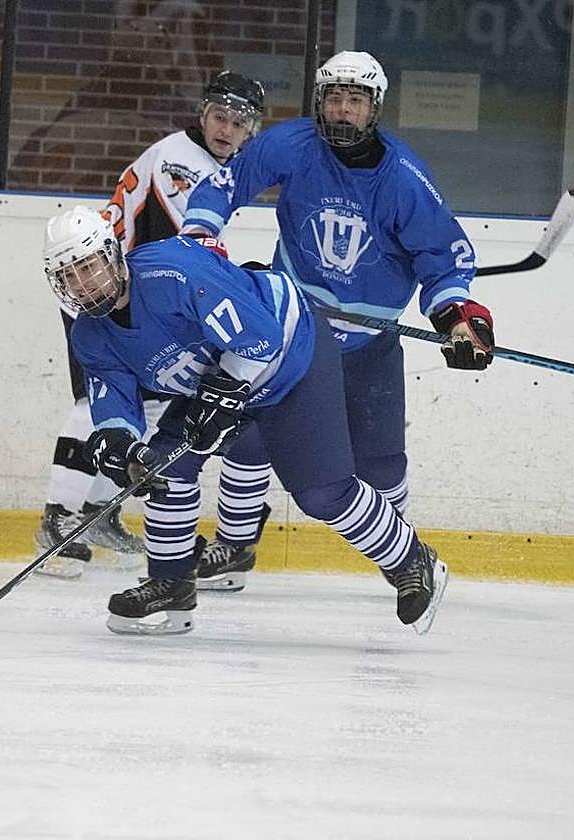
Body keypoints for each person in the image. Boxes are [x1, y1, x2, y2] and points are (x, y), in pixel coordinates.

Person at [41, 206, 448, 636]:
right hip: (218, 380)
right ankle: (171, 583)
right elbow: (116, 407)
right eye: (69, 275)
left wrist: (223, 395)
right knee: (162, 468)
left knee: (321, 493)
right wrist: (120, 445)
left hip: (292, 355)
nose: (83, 283)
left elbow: (263, 337)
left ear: (112, 254)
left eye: (88, 266)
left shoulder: (172, 272)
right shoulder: (89, 335)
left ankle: (412, 559)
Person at [180, 51, 494, 595]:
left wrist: (458, 318)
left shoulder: (403, 179)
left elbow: (442, 262)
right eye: (333, 98)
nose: (342, 111)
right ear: (318, 102)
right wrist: (201, 238)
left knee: (380, 464)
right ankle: (233, 547)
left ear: (374, 109)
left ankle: (403, 552)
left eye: (355, 101)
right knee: (248, 437)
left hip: (368, 344)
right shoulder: (292, 145)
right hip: (292, 333)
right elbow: (223, 186)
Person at [35, 71, 266, 579]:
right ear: (203, 114)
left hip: (136, 295)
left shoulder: (209, 162)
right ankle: (58, 518)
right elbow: (199, 250)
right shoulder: (183, 160)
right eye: (219, 117)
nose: (226, 129)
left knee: (156, 401)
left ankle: (97, 511)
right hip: (97, 288)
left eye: (238, 122)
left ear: (251, 130)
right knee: (94, 401)